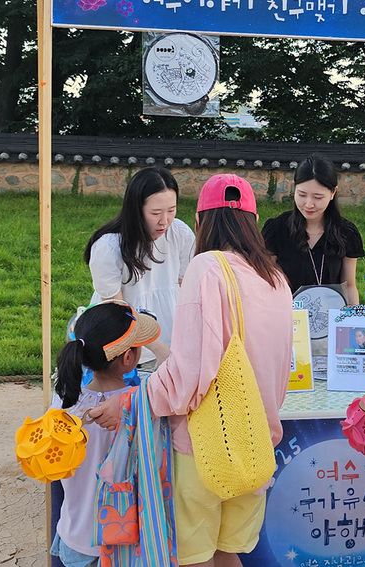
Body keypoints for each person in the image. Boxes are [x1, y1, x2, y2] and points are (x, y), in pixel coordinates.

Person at [90, 173, 294, 567]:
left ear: (200, 222)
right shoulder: (276, 278)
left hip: (205, 449)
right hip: (256, 446)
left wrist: (135, 403)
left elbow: (188, 372)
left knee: (194, 558)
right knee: (226, 554)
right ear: (253, 221)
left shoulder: (208, 268)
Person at [50, 300, 166, 567]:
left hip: (74, 535)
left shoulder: (63, 399)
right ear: (129, 358)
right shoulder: (141, 404)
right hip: (125, 543)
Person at [84, 166, 195, 362]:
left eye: (171, 210)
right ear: (136, 209)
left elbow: (185, 288)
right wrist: (158, 348)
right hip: (124, 345)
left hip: (172, 339)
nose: (164, 221)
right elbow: (117, 310)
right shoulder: (108, 247)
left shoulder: (180, 233)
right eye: (155, 213)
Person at [262, 155, 365, 305]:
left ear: (333, 193)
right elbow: (267, 281)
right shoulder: (277, 229)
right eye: (302, 195)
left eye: (318, 197)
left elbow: (349, 285)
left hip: (333, 315)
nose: (309, 204)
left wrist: (352, 318)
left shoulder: (346, 232)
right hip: (288, 317)